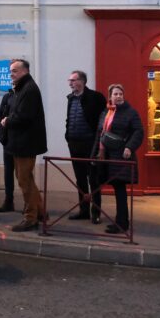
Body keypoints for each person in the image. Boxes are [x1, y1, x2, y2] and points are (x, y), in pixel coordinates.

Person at [1, 59, 48, 232]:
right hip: (21, 142)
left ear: (24, 71)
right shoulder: (23, 88)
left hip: (25, 143)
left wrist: (7, 120)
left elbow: (24, 116)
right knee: (27, 178)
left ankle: (30, 218)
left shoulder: (29, 89)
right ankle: (40, 212)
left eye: (14, 71)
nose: (11, 74)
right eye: (10, 71)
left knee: (24, 180)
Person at [93, 83, 143, 234]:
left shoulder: (130, 112)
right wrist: (95, 154)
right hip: (106, 155)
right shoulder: (105, 113)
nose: (118, 96)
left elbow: (138, 132)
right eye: (115, 94)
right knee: (114, 188)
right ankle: (120, 221)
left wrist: (129, 147)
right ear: (110, 97)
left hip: (121, 155)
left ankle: (122, 223)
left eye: (120, 94)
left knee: (120, 190)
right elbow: (100, 134)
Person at [65, 70, 107, 223]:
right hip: (74, 143)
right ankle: (83, 210)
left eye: (73, 80)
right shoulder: (71, 99)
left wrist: (99, 143)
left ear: (82, 81)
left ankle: (95, 212)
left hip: (91, 143)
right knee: (80, 179)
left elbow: (103, 120)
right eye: (69, 80)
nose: (70, 83)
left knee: (93, 179)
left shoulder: (96, 97)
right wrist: (68, 135)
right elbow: (69, 119)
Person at [0, 89, 16, 213]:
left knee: (23, 175)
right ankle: (8, 201)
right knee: (8, 173)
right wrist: (1, 131)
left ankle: (30, 205)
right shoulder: (7, 96)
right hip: (7, 142)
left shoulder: (24, 95)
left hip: (20, 142)